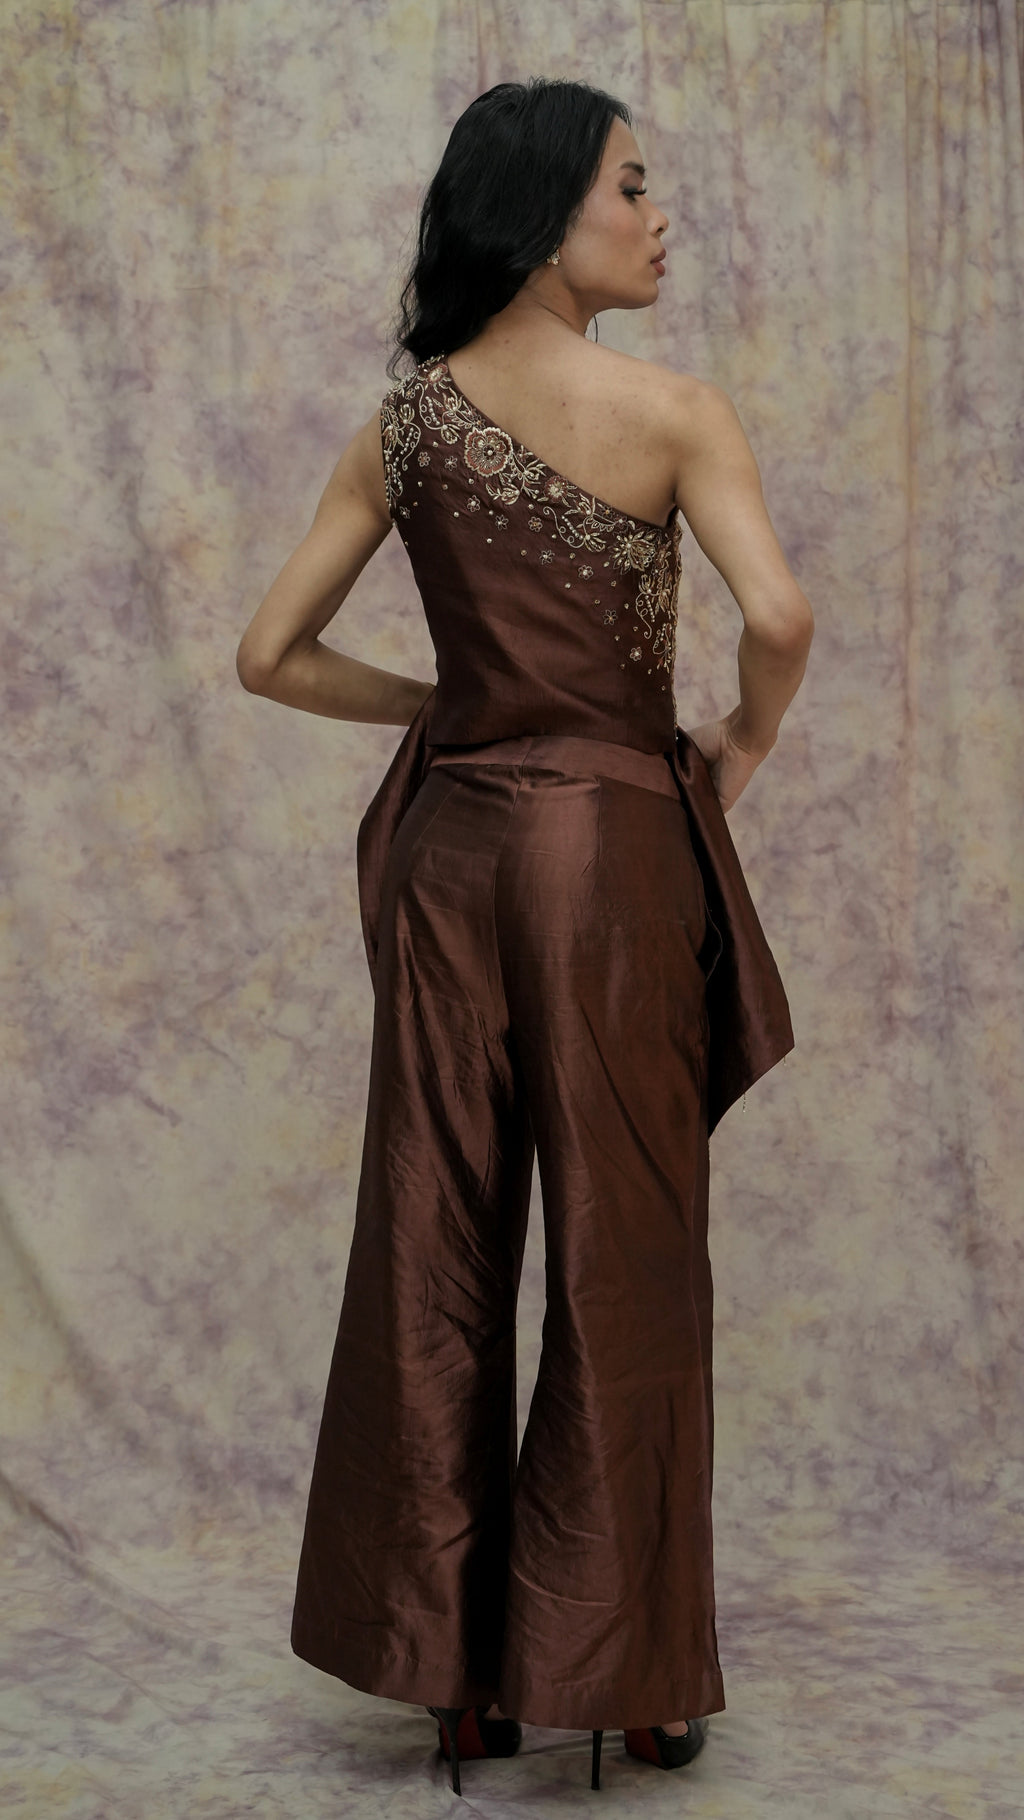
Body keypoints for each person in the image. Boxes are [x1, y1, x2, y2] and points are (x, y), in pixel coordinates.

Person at [236, 77, 813, 1798]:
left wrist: (457, 705)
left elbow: (269, 655)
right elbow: (776, 615)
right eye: (632, 186)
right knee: (625, 1252)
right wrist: (738, 742)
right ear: (549, 206)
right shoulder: (671, 411)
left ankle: (454, 1687)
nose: (659, 215)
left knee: (433, 1239)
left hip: (447, 850)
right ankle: (626, 1681)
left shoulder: (405, 425)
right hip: (608, 856)